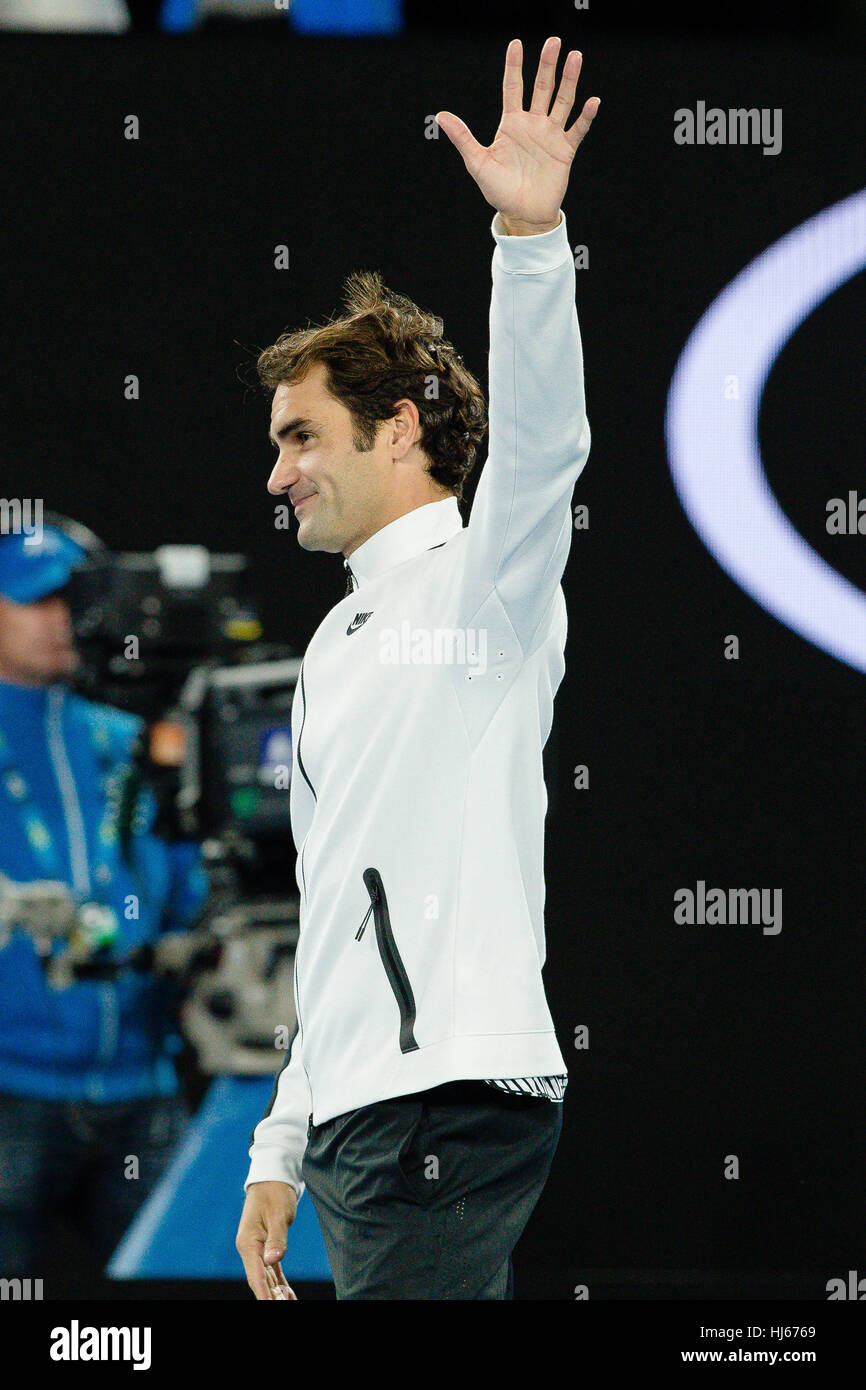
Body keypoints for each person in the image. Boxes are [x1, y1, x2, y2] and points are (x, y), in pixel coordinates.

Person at [235, 36, 598, 1300]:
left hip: (445, 1099)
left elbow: (545, 450)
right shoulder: (333, 642)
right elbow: (332, 911)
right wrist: (279, 1142)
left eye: (300, 437)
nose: (277, 475)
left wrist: (530, 240)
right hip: (360, 1123)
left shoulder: (480, 590)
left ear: (397, 429)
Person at [0, 520, 209, 1278]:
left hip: (144, 1090)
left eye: (75, 600)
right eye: (39, 601)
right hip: (12, 1092)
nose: (66, 619)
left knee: (190, 1282)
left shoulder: (134, 740)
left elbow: (185, 887)